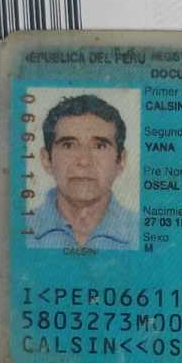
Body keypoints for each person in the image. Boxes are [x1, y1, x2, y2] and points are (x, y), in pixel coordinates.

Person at [27, 94, 139, 250]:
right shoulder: (19, 232)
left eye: (99, 146)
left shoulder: (143, 232)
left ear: (121, 161)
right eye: (68, 145)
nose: (84, 161)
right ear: (47, 160)